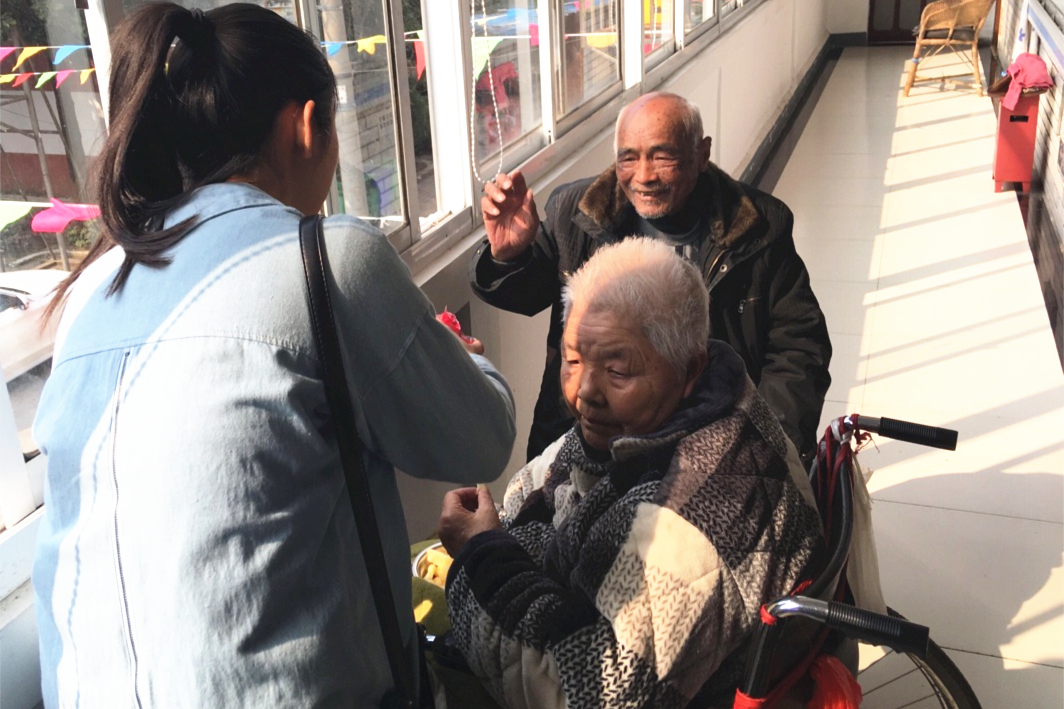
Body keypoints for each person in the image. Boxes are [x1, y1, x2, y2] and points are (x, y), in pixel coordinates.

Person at [31, 4, 515, 707]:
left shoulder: (92, 287)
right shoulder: (328, 259)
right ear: (307, 125)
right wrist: (465, 359)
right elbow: (482, 439)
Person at [440, 238, 823, 708]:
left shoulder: (695, 514)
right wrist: (495, 536)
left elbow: (586, 696)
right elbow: (543, 483)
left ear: (689, 368)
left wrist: (481, 556)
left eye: (617, 371)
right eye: (572, 360)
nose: (584, 391)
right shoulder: (660, 415)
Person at [470, 91, 831, 465]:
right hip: (593, 430)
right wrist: (508, 256)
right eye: (628, 158)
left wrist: (764, 444)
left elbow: (798, 345)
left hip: (713, 432)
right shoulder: (577, 214)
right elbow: (527, 293)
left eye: (662, 157)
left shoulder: (756, 226)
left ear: (702, 153)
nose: (644, 177)